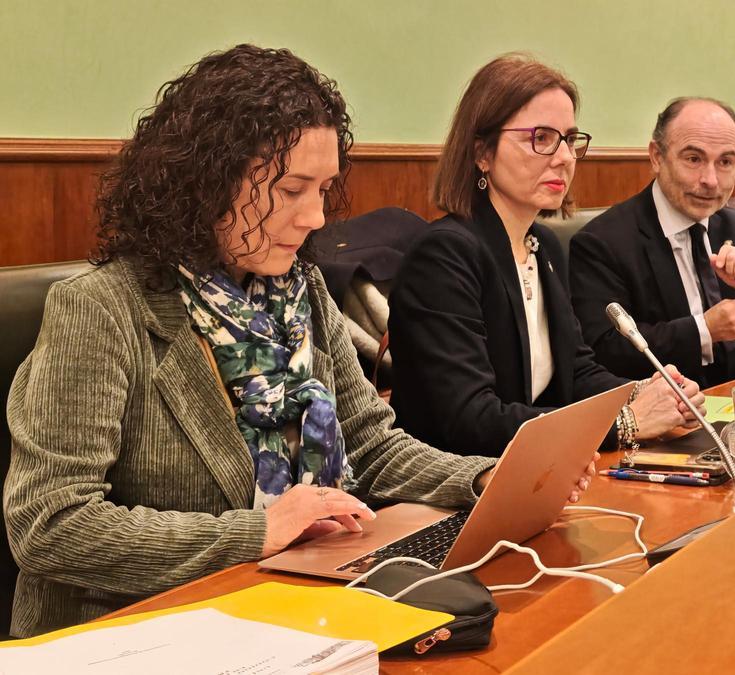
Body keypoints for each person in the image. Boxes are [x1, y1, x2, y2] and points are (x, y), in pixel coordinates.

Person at [3, 45, 594, 638]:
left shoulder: (300, 289)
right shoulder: (102, 309)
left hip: (291, 602)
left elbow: (371, 445)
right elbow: (50, 524)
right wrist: (258, 531)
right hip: (140, 629)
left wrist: (485, 479)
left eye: (324, 190)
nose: (316, 218)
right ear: (204, 184)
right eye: (291, 190)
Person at [387, 55, 704, 458]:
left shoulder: (544, 246)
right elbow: (469, 419)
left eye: (569, 139)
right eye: (541, 138)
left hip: (531, 470)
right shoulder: (444, 256)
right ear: (482, 152)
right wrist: (624, 422)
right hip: (455, 481)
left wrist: (646, 392)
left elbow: (577, 370)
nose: (564, 158)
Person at [569, 97, 735, 387]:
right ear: (657, 157)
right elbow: (605, 349)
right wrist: (705, 330)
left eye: (725, 162)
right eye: (693, 159)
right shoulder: (602, 242)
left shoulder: (734, 225)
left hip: (734, 398)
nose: (711, 180)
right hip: (663, 404)